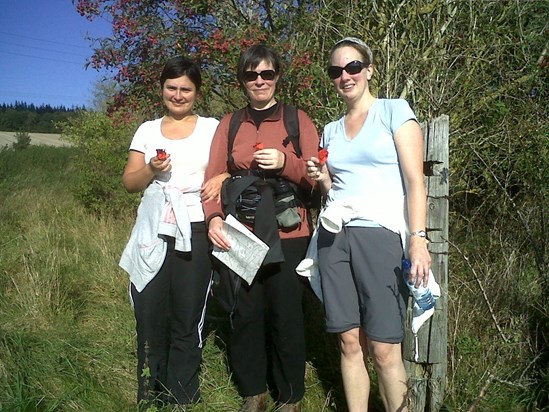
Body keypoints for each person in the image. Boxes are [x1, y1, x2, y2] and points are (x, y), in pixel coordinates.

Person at [306, 37, 432, 412]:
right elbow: (334, 190)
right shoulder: (329, 129)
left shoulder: (394, 111)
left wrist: (418, 239)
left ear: (369, 70)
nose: (345, 76)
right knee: (348, 341)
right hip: (333, 236)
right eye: (336, 71)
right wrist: (321, 176)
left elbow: (414, 182)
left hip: (379, 234)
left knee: (384, 347)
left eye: (353, 67)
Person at [203, 44, 319, 412]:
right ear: (241, 81)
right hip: (241, 233)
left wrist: (287, 161)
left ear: (277, 77)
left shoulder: (296, 121)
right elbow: (211, 180)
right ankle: (254, 392)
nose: (259, 81)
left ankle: (290, 397)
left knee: (286, 314)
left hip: (290, 233)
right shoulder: (230, 124)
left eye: (267, 74)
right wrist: (214, 218)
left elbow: (316, 180)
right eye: (251, 75)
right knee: (245, 313)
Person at [119, 56, 225, 408]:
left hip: (194, 227)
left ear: (196, 92)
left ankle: (182, 393)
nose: (178, 95)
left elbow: (231, 165)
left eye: (186, 89)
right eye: (171, 88)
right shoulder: (147, 130)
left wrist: (223, 178)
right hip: (153, 228)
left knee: (187, 313)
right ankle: (152, 386)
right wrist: (151, 167)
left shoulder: (212, 127)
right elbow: (130, 182)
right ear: (161, 88)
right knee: (150, 309)